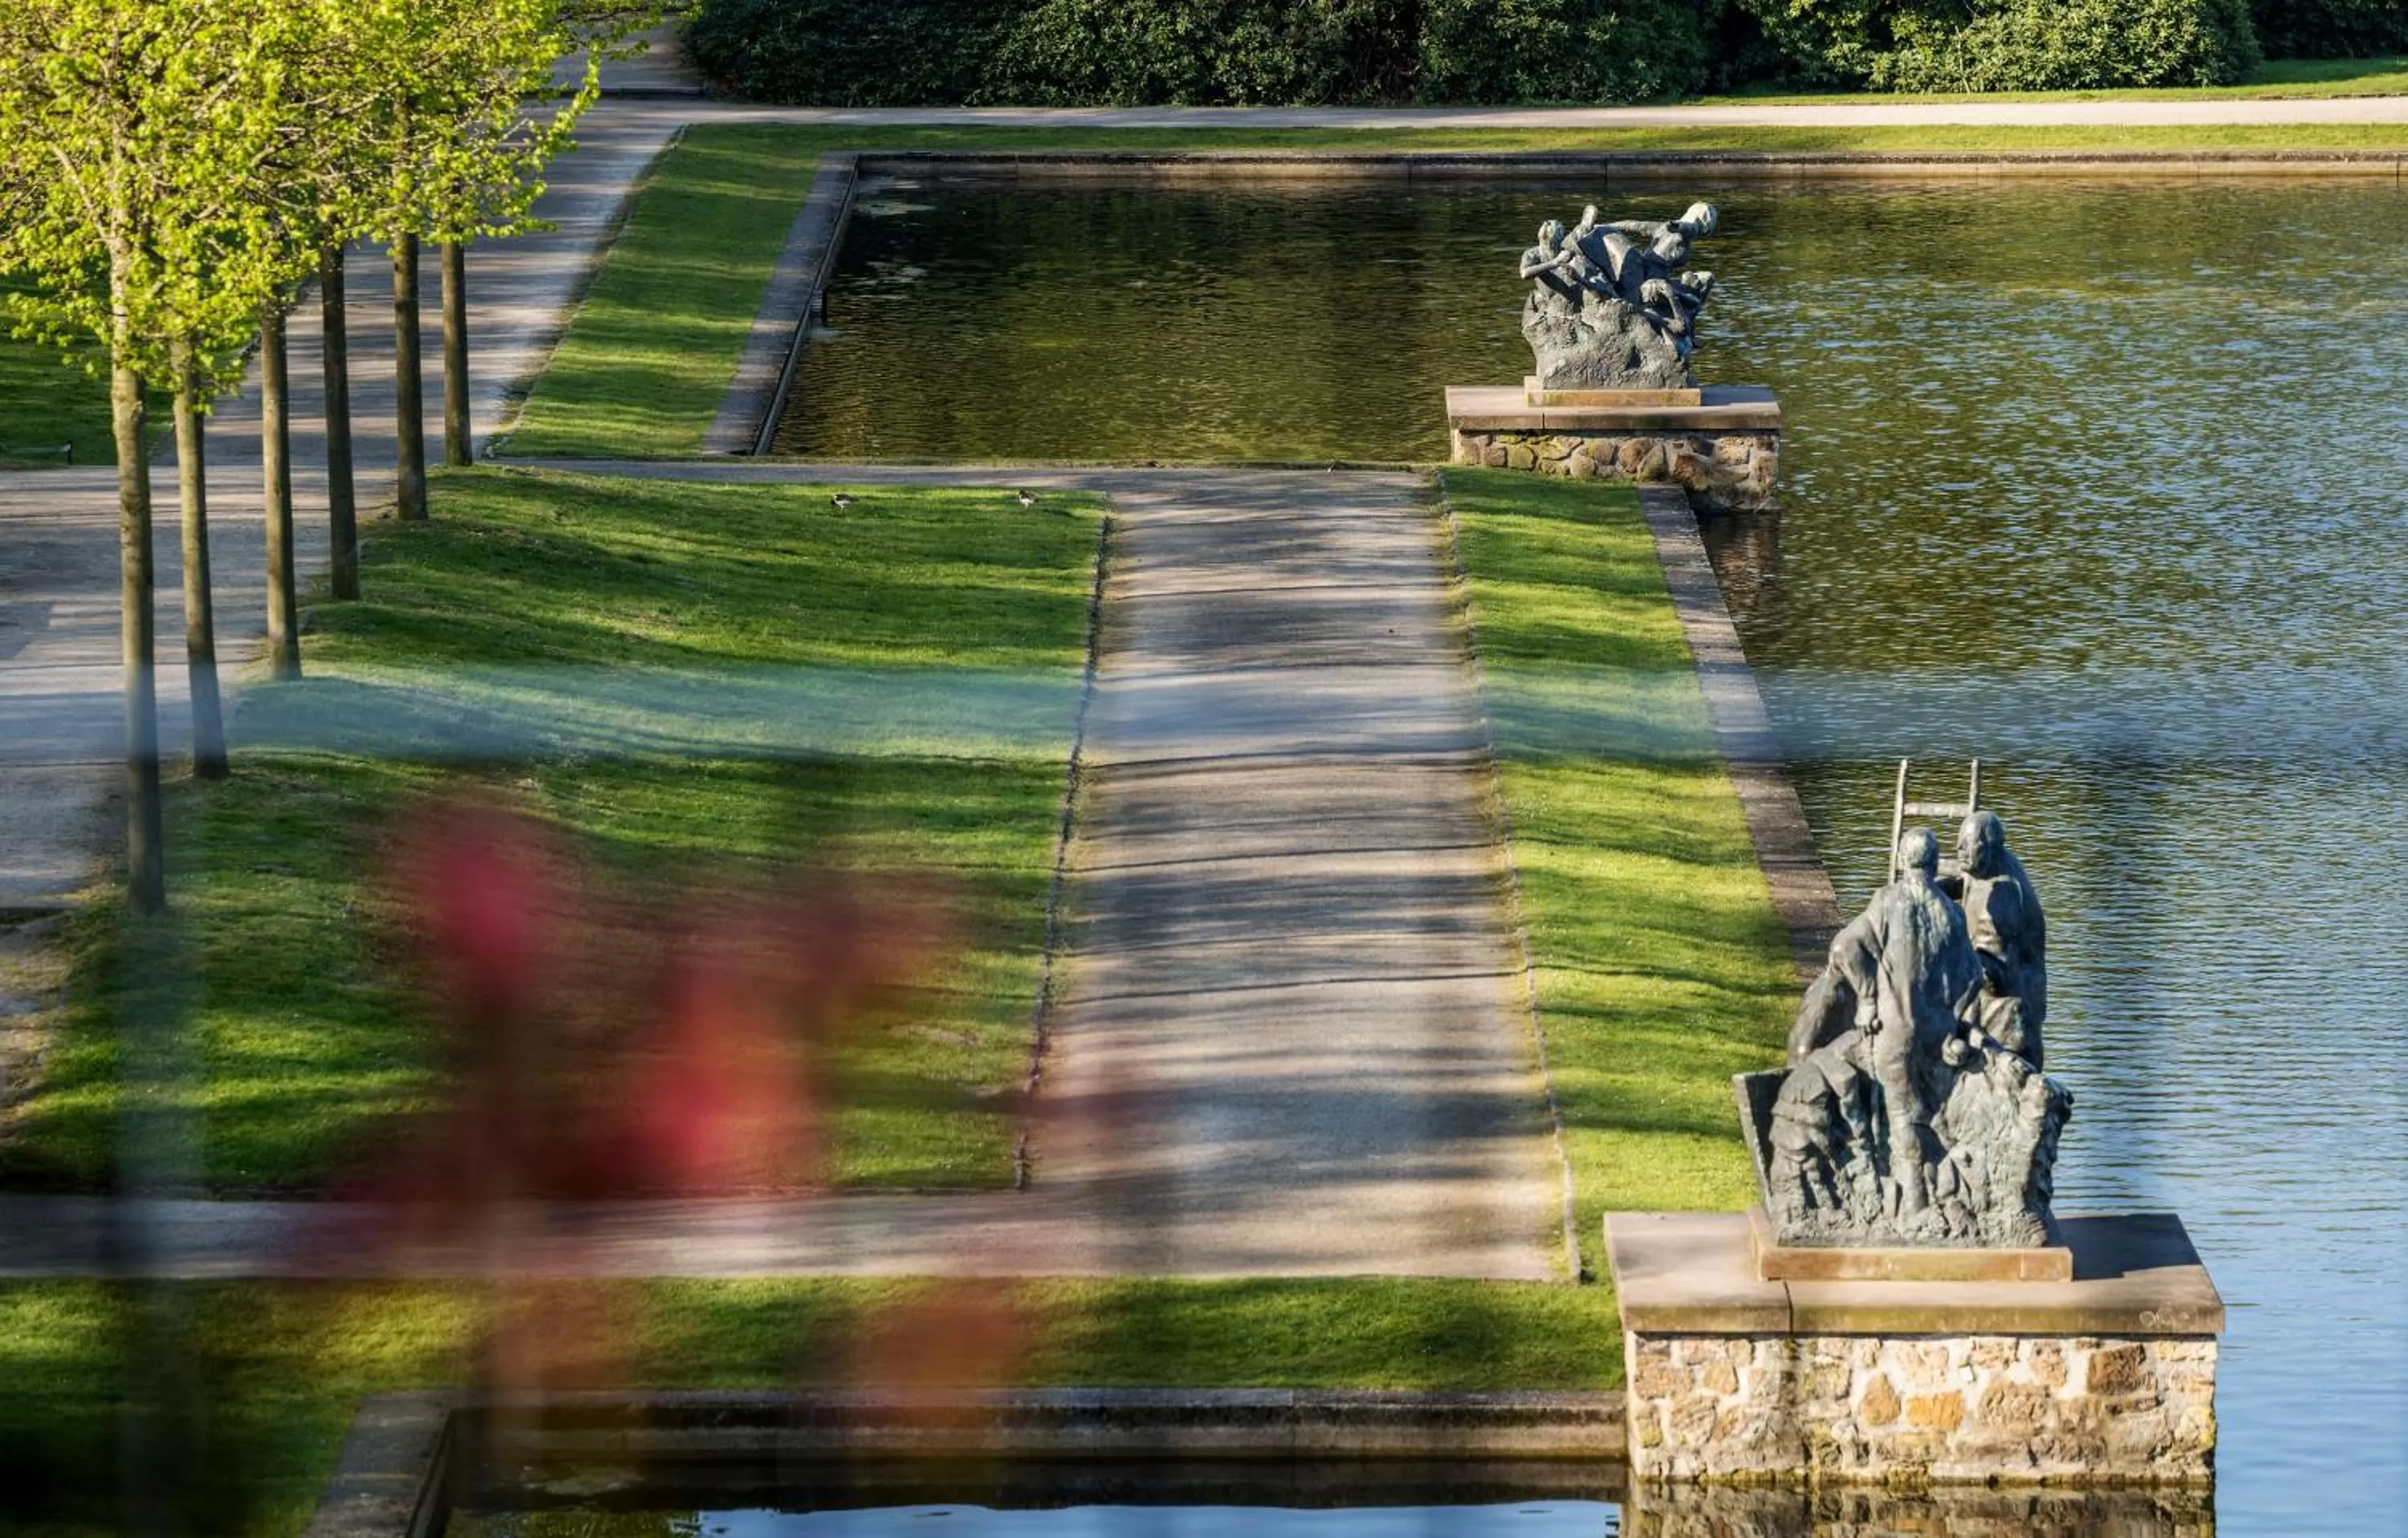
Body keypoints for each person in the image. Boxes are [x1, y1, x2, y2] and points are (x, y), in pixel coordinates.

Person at [1837, 825, 1985, 1225]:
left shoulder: (1888, 901)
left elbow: (1845, 947)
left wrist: (1867, 999)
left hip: (1896, 1032)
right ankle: (1947, 1196)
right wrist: (1958, 1022)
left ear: (1903, 861)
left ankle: (1914, 1208)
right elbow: (1975, 978)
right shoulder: (1951, 913)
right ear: (1936, 865)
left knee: (1901, 1118)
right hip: (1939, 1035)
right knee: (1934, 1117)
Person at [1955, 810, 2048, 1068]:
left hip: (2008, 1017)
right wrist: (1935, 889)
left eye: (1968, 842)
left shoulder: (2001, 902)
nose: (1958, 847)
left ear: (1989, 849)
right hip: (2011, 1001)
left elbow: (1994, 979)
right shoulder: (1994, 864)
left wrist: (1948, 954)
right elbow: (1962, 883)